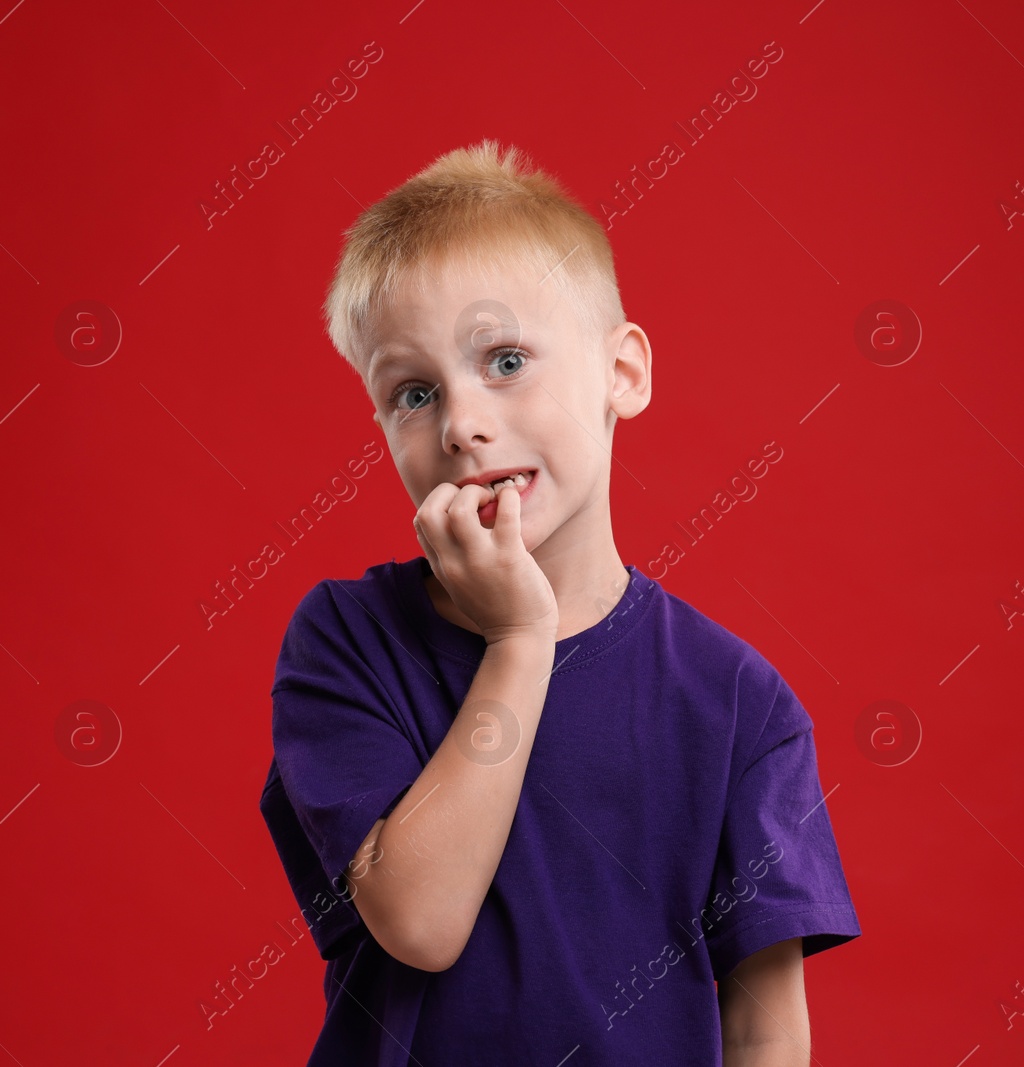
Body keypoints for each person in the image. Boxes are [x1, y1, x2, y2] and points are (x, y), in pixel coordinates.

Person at [258, 138, 861, 1066]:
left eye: (505, 360)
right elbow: (420, 920)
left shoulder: (738, 702)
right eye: (413, 392)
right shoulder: (345, 639)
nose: (461, 422)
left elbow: (766, 1025)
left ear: (622, 373)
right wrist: (521, 634)